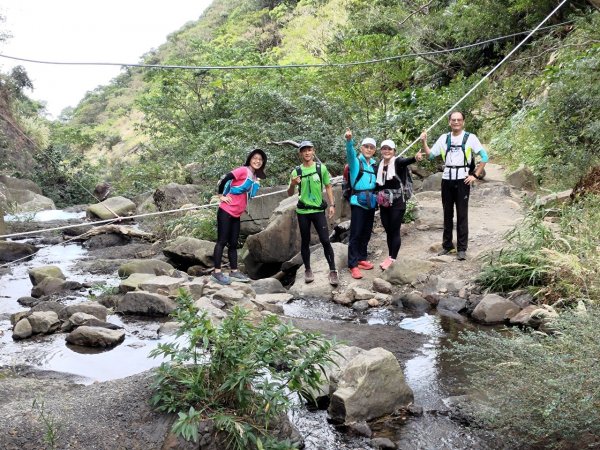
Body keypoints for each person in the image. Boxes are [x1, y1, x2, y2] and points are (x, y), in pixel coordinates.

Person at [420, 111, 489, 260]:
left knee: (462, 214)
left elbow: (484, 157)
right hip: (447, 179)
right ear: (449, 122)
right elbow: (431, 155)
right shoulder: (444, 138)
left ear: (463, 122)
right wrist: (424, 141)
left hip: (463, 180)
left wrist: (475, 175)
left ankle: (462, 248)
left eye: (459, 120)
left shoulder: (470, 138)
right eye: (453, 120)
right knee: (447, 213)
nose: (456, 122)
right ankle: (447, 245)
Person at [211, 148, 267, 285]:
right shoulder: (243, 170)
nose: (257, 161)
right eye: (255, 158)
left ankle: (234, 271)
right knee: (222, 241)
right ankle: (216, 272)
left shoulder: (254, 177)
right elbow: (225, 178)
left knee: (234, 244)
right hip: (225, 211)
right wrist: (221, 195)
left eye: (260, 160)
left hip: (236, 214)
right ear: (250, 159)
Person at [287, 141, 339, 286]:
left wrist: (332, 205)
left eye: (309, 150)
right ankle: (308, 270)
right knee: (305, 240)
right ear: (300, 154)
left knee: (325, 240)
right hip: (303, 211)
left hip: (318, 211)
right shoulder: (296, 171)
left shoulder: (320, 168)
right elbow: (290, 193)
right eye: (304, 151)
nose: (307, 153)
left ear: (313, 151)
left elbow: (328, 186)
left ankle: (333, 270)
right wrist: (292, 184)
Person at [375, 139, 423, 270]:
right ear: (381, 151)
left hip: (397, 202)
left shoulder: (397, 162)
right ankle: (390, 256)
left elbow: (406, 160)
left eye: (389, 149)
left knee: (395, 230)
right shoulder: (379, 165)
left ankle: (392, 258)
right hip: (384, 202)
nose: (387, 151)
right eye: (384, 148)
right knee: (388, 230)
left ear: (394, 151)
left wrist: (415, 158)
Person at [345, 129, 378, 279]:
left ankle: (361, 258)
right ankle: (352, 264)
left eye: (372, 147)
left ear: (374, 150)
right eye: (366, 146)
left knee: (366, 232)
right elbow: (350, 153)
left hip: (371, 201)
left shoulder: (374, 165)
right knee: (356, 233)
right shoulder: (356, 162)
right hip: (358, 201)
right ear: (361, 148)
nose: (369, 149)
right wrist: (349, 141)